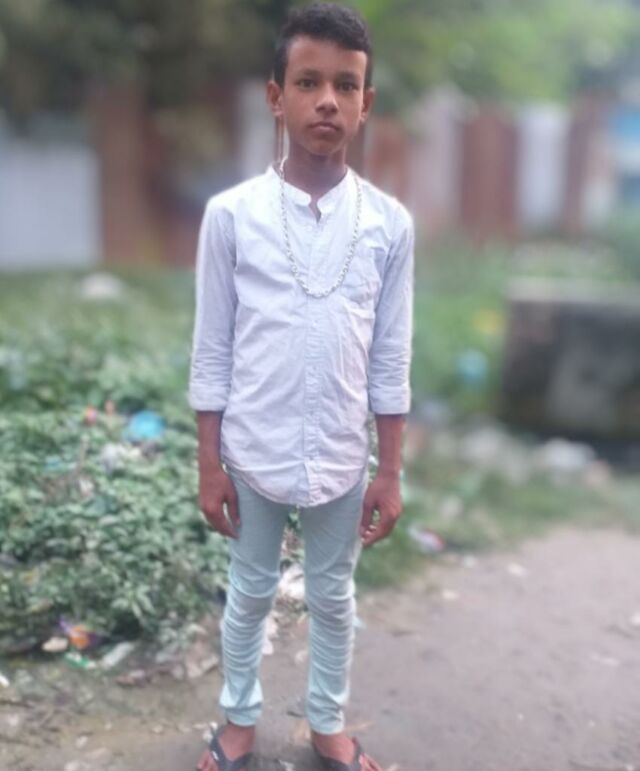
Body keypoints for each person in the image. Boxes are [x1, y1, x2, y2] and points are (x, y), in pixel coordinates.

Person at [190, 4, 414, 770]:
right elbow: (212, 349)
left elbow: (390, 356)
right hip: (252, 448)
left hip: (342, 457)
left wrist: (390, 469)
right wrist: (209, 462)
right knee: (250, 589)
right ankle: (238, 718)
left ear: (365, 102)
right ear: (275, 97)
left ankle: (327, 722)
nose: (327, 101)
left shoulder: (389, 225)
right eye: (308, 82)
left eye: (345, 86)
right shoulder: (231, 217)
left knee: (334, 596)